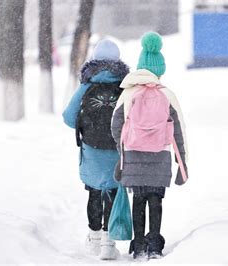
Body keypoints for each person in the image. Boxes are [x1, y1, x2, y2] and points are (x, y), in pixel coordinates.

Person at [111, 32, 188, 260]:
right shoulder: (167, 95)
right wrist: (182, 162)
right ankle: (155, 244)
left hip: (134, 156)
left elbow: (115, 126)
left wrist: (123, 149)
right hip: (160, 157)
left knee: (138, 200)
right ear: (161, 70)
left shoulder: (128, 93)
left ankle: (139, 245)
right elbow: (179, 132)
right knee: (156, 200)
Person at [62, 39, 129, 260]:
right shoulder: (125, 86)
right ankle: (108, 243)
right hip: (116, 148)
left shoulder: (87, 85)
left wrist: (88, 125)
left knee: (94, 191)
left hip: (91, 148)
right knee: (111, 190)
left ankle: (93, 238)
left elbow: (68, 118)